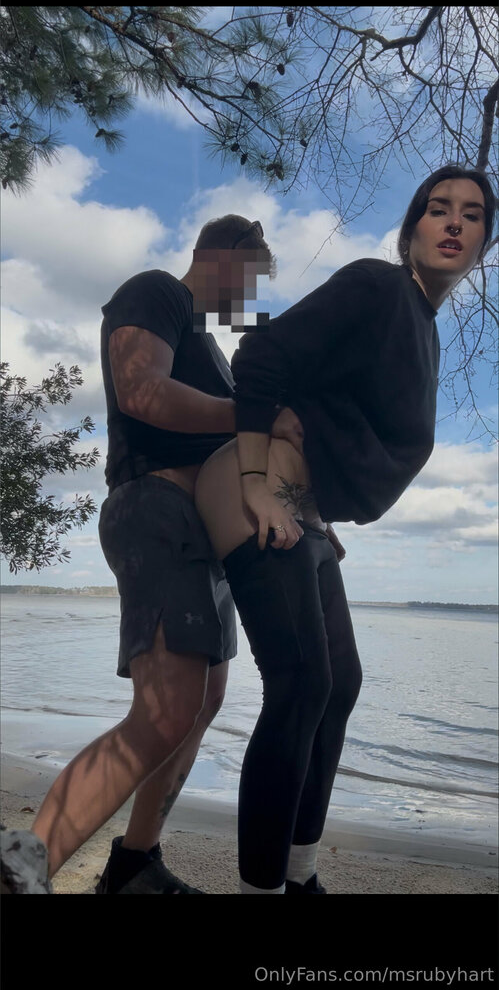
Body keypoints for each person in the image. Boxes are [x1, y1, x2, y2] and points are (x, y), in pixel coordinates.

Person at [193, 165, 495, 894]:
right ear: (411, 228)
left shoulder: (422, 327)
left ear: (485, 241)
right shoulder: (376, 285)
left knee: (340, 683)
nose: (454, 222)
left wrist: (319, 514)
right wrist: (257, 483)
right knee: (300, 683)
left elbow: (332, 416)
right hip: (259, 484)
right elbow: (259, 356)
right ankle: (262, 890)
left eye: (472, 214)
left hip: (307, 508)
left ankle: (299, 875)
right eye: (437, 208)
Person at [0, 214, 303, 895]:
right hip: (155, 510)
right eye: (251, 277)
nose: (248, 295)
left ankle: (135, 864)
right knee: (165, 707)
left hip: (205, 537)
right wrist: (252, 416)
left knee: (202, 701)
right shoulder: (157, 291)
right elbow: (143, 393)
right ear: (225, 254)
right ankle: (20, 870)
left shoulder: (213, 354)